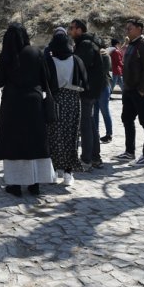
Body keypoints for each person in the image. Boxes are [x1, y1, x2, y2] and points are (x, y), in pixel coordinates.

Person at [0, 23, 55, 197]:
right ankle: (35, 183)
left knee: (13, 143)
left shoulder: (5, 56)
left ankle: (15, 184)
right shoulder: (36, 52)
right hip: (33, 102)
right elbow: (46, 79)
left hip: (12, 102)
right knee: (34, 141)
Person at [44, 27, 86, 187]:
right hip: (73, 101)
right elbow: (85, 81)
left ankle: (53, 171)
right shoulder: (76, 60)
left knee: (54, 136)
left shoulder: (50, 61)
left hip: (54, 100)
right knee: (71, 135)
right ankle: (68, 172)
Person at [116, 20, 144, 166]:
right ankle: (129, 152)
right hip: (129, 90)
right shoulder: (132, 45)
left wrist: (141, 90)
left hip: (140, 92)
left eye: (130, 28)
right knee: (127, 119)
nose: (127, 30)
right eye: (126, 28)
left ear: (139, 29)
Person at [69, 19, 105, 171]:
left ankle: (86, 160)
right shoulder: (88, 42)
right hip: (93, 88)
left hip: (87, 89)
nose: (70, 31)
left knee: (85, 124)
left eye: (72, 28)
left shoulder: (85, 44)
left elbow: (80, 66)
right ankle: (95, 158)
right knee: (89, 122)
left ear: (79, 30)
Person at [98, 45, 115, 143]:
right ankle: (97, 133)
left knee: (104, 111)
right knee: (98, 112)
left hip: (103, 87)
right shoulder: (103, 55)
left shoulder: (104, 56)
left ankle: (109, 134)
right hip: (100, 87)